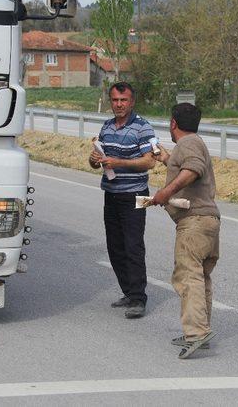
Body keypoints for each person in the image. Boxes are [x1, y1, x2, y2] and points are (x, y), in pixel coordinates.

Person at [151, 103, 220, 359]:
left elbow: (193, 169)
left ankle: (197, 332)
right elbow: (189, 166)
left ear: (172, 123)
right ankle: (201, 330)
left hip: (195, 222)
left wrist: (164, 193)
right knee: (200, 277)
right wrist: (167, 159)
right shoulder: (193, 142)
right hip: (207, 221)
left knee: (187, 276)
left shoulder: (188, 143)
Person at [89, 82, 156, 319]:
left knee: (133, 246)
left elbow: (150, 162)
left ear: (132, 101)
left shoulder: (143, 128)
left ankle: (138, 298)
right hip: (112, 192)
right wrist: (94, 158)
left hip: (138, 193)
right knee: (115, 246)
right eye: (115, 100)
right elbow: (96, 161)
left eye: (123, 100)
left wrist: (119, 163)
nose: (119, 104)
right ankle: (128, 291)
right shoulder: (107, 127)